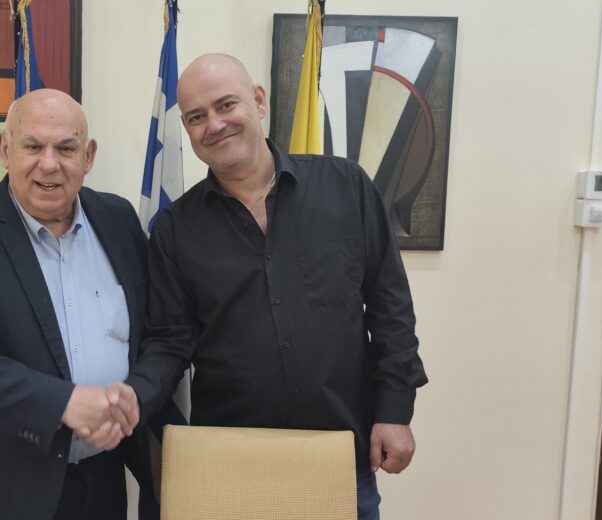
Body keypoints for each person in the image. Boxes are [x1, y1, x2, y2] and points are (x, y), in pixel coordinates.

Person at [119, 53, 429, 519]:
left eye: (226, 104)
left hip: (340, 460)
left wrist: (395, 409)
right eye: (196, 117)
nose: (214, 124)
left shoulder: (347, 188)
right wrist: (132, 397)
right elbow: (168, 341)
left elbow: (391, 309)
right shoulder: (174, 230)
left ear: (259, 101)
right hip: (228, 466)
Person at [0, 88, 143, 520]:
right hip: (3, 489)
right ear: (6, 149)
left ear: (89, 156)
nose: (49, 164)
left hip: (102, 484)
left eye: (66, 148)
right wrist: (64, 402)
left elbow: (149, 332)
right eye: (33, 146)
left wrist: (136, 395)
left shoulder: (119, 220)